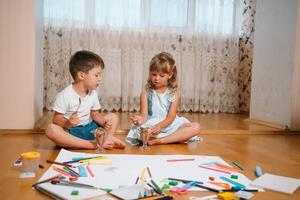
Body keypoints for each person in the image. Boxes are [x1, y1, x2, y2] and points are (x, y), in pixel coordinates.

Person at [45, 50, 126, 150]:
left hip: (89, 129)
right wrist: (69, 123)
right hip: (72, 132)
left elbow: (95, 114)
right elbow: (56, 120)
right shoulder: (65, 95)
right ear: (82, 75)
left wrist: (104, 122)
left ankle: (106, 138)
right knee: (51, 129)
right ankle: (93, 144)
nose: (100, 79)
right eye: (96, 75)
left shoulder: (93, 93)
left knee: (113, 117)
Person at [126, 52, 201, 146]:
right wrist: (140, 119)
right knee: (142, 133)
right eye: (153, 74)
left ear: (170, 75)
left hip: (169, 124)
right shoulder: (146, 92)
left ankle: (159, 141)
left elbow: (171, 117)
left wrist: (160, 127)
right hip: (152, 126)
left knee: (196, 127)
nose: (156, 78)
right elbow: (144, 114)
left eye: (161, 76)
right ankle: (175, 138)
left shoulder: (174, 93)